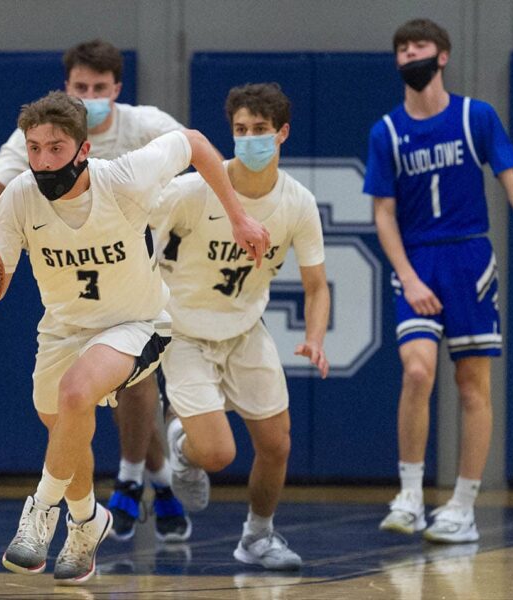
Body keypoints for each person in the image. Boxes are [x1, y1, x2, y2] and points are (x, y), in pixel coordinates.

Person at [0, 91, 269, 585]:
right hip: (63, 329)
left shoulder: (125, 178)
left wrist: (239, 216)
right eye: (34, 148)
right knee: (64, 428)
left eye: (55, 148)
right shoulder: (18, 198)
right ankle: (86, 522)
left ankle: (40, 513)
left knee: (76, 392)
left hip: (138, 323)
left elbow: (195, 142)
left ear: (83, 149)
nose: (43, 160)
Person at [0, 39, 190, 543]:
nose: (89, 96)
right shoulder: (36, 147)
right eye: (80, 87)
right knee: (64, 416)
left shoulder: (142, 133)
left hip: (141, 272)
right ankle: (97, 513)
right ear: (66, 87)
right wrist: (21, 225)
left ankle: (114, 483)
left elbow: (195, 151)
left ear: (116, 89)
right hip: (71, 297)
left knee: (115, 383)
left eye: (98, 87)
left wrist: (235, 213)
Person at [364, 18, 513, 543]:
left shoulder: (475, 116)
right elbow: (383, 213)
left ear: (443, 56)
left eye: (420, 46)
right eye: (402, 48)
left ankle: (462, 506)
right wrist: (408, 277)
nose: (410, 54)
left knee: (472, 384)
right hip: (417, 261)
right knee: (417, 372)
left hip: (469, 258)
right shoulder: (387, 132)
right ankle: (410, 496)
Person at [153, 83, 330, 571]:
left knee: (276, 444)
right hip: (183, 331)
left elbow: (317, 286)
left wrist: (315, 338)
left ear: (282, 133)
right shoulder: (190, 192)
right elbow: (137, 241)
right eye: (240, 129)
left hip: (245, 329)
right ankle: (182, 446)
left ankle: (258, 536)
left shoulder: (297, 203)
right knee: (216, 454)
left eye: (260, 129)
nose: (250, 138)